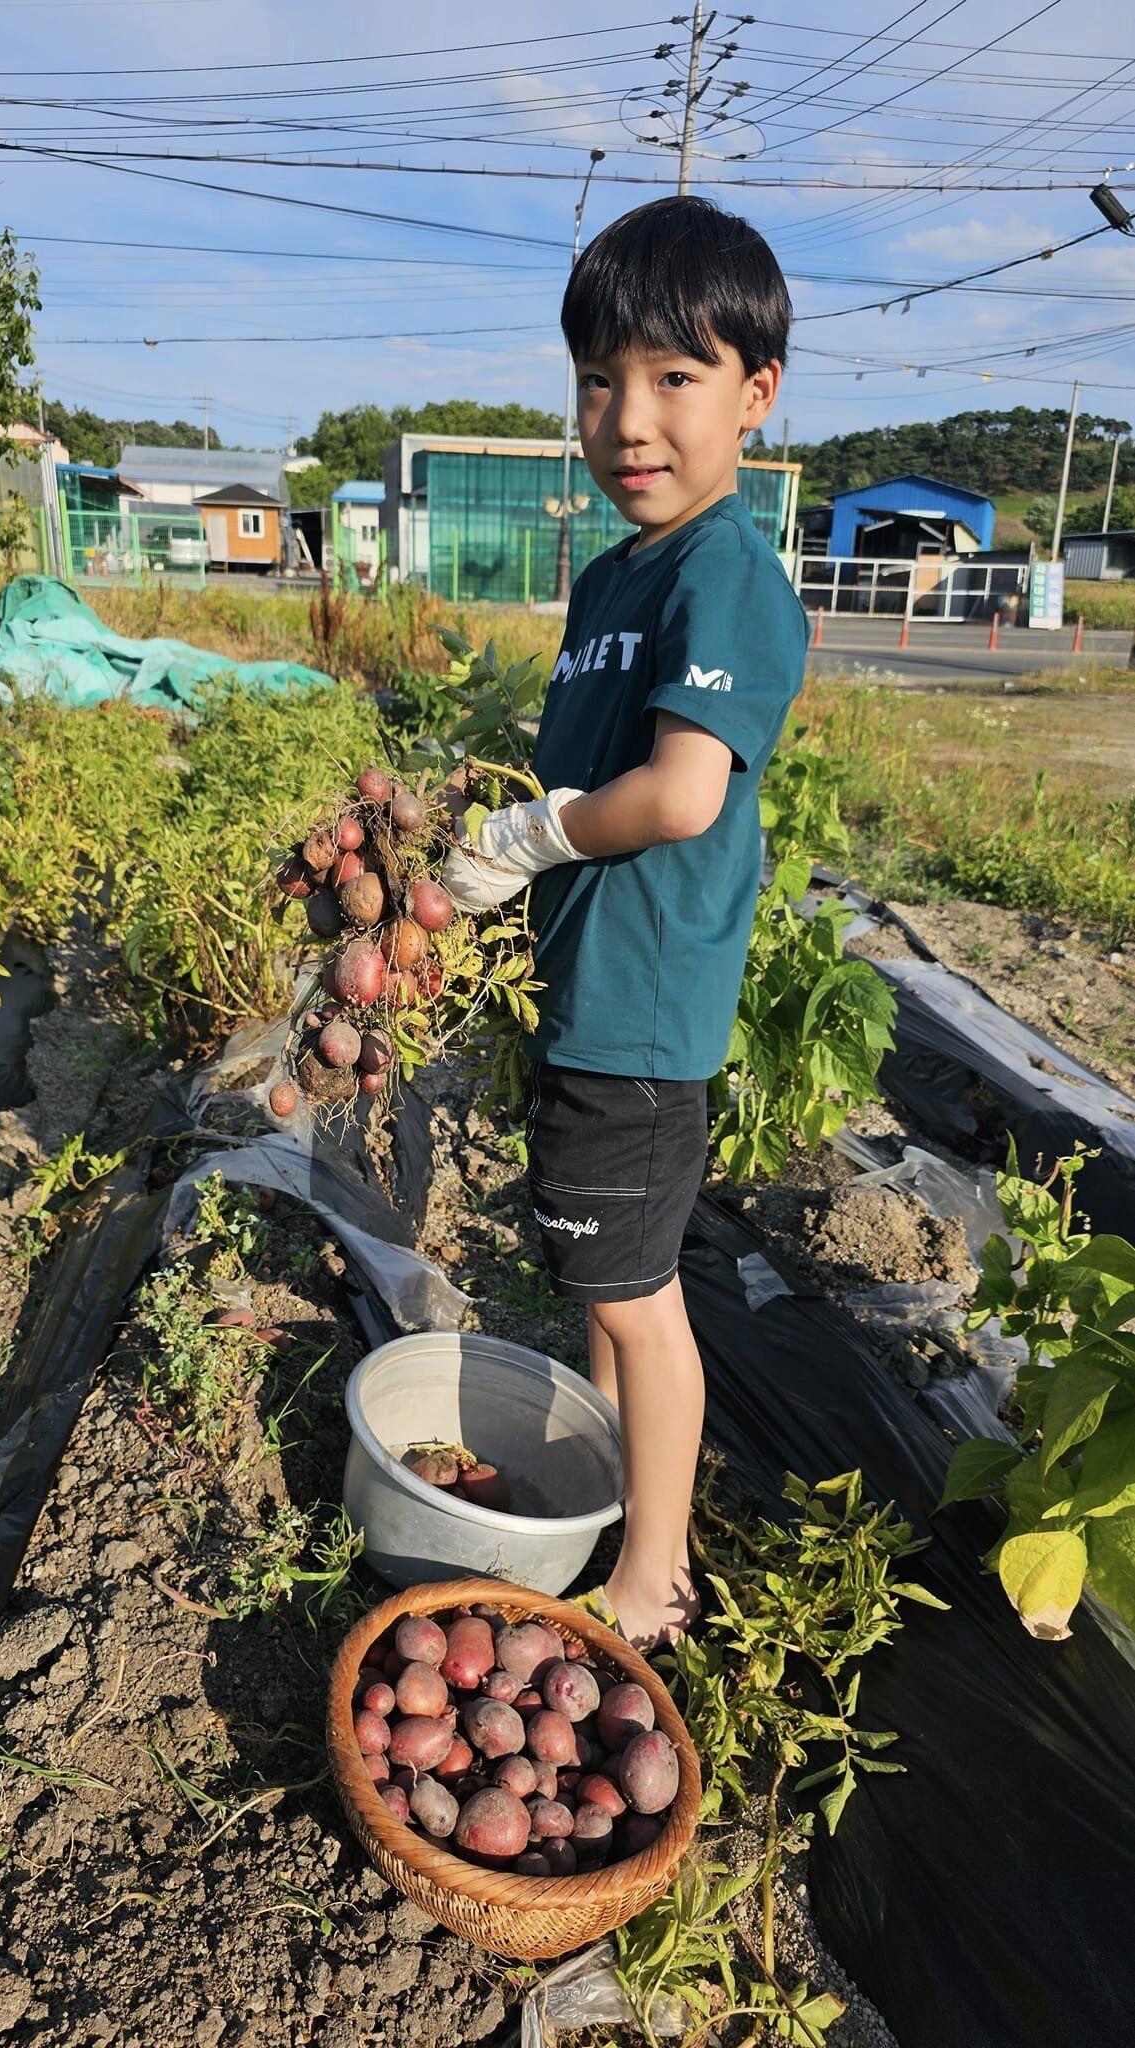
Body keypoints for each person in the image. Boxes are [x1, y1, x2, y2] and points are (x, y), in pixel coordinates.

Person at [442, 194, 810, 1650]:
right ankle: (615, 1491)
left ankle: (651, 1573)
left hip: (643, 1007)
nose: (627, 418)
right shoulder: (611, 575)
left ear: (755, 396)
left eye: (674, 377)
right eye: (599, 380)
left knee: (640, 1297)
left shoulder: (724, 571)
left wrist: (527, 839)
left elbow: (673, 796)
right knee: (602, 1278)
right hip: (583, 986)